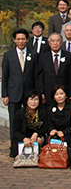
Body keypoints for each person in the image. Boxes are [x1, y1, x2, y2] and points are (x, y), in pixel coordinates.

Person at [2, 28, 38, 157]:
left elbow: (36, 75)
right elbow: (5, 76)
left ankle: (29, 147)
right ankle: (14, 148)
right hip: (14, 93)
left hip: (29, 94)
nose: (21, 41)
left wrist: (36, 94)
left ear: (27, 40)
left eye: (23, 39)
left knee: (30, 120)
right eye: (18, 39)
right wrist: (4, 94)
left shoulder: (33, 55)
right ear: (14, 40)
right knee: (14, 121)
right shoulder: (8, 56)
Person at [36, 33, 71, 106]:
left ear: (61, 42)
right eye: (52, 41)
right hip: (48, 93)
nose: (55, 43)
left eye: (57, 41)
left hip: (64, 93)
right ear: (49, 43)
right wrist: (41, 92)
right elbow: (39, 76)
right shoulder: (42, 57)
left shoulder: (69, 56)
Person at [12, 90, 48, 156]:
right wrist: (24, 139)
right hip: (23, 137)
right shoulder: (20, 113)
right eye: (31, 100)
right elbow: (16, 131)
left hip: (36, 136)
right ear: (27, 101)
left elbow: (45, 128)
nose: (33, 102)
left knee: (40, 140)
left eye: (36, 100)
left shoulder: (42, 112)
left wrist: (36, 134)